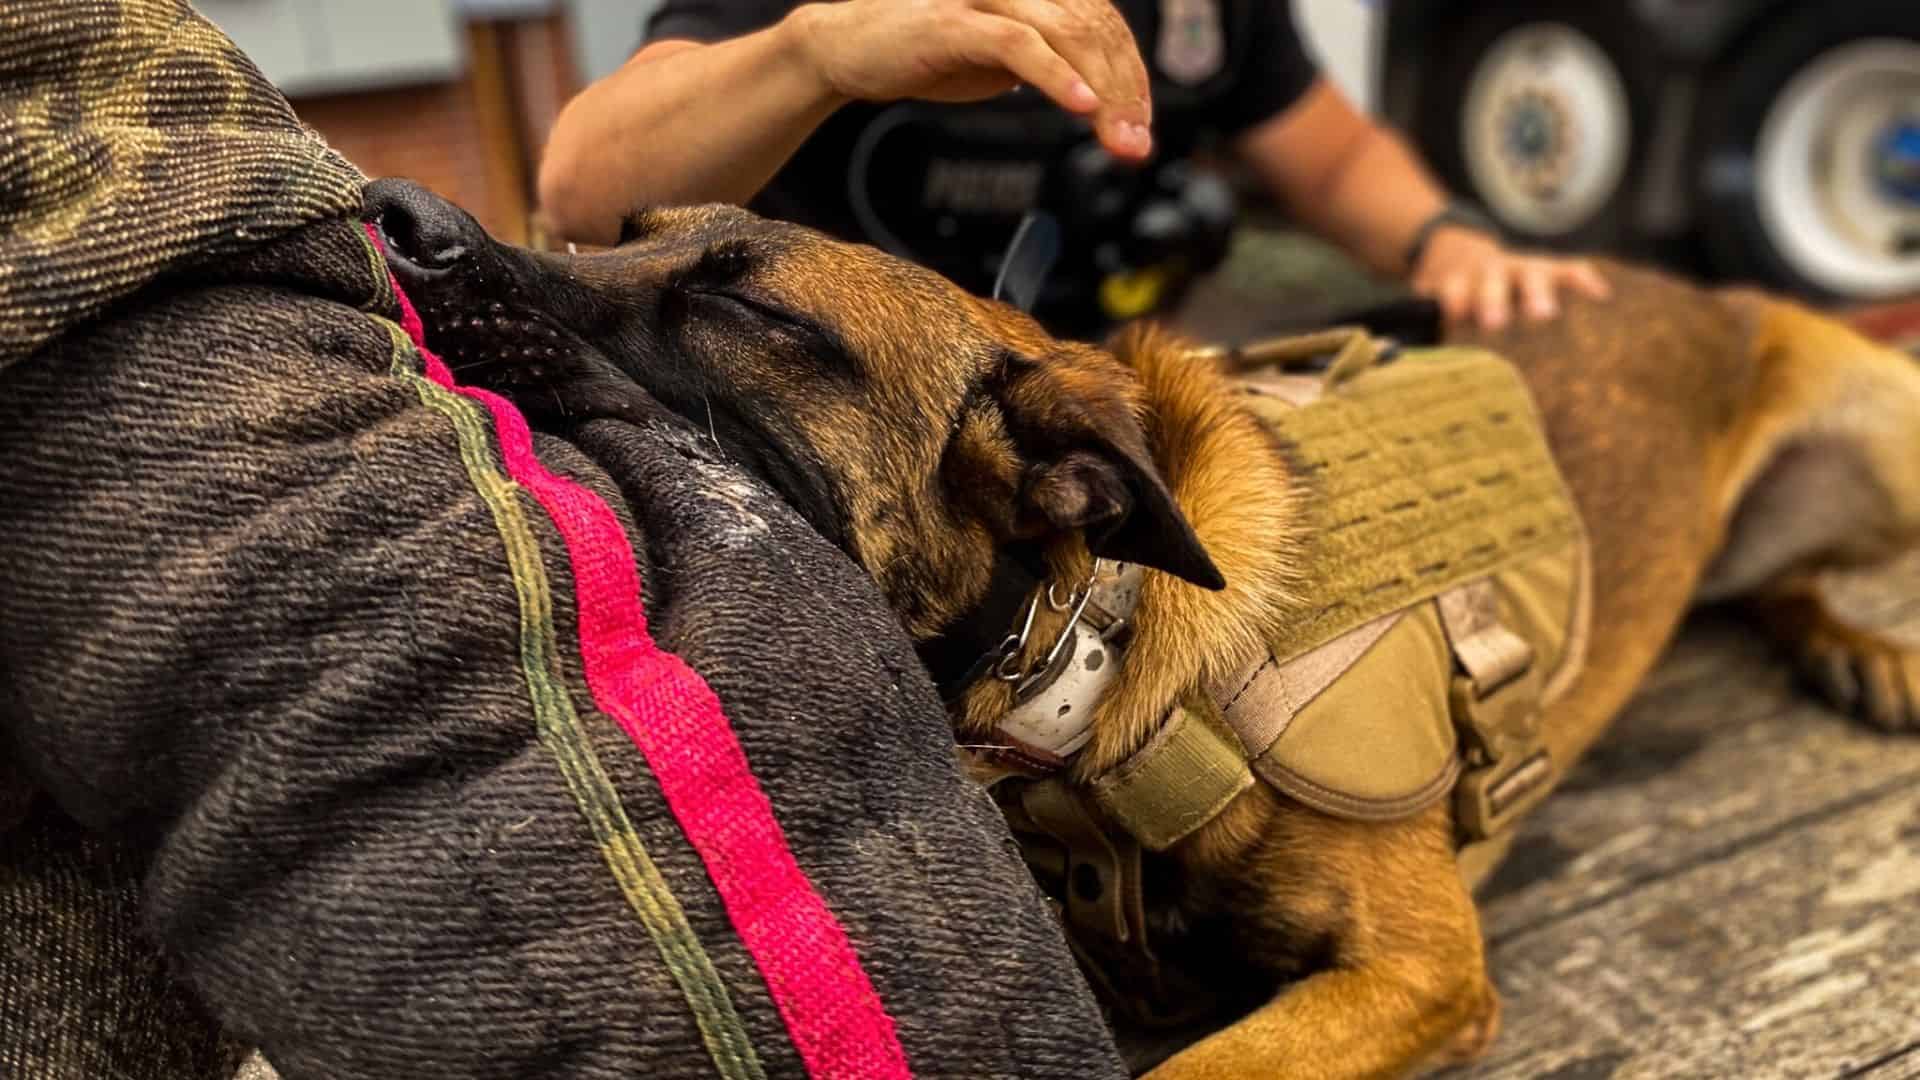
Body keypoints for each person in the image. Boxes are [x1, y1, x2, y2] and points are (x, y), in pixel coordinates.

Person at [538, 0, 1609, 335]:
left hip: (1081, 422)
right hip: (828, 424)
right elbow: (582, 190)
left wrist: (1450, 241)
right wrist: (812, 51)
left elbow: (1331, 159)